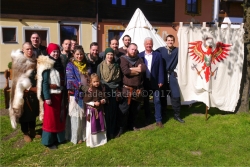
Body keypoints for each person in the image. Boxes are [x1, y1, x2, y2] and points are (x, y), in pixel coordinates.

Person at [37, 43, 66, 149]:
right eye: (54, 51)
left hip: (59, 95)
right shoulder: (46, 64)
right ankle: (48, 141)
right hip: (51, 96)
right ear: (49, 52)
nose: (56, 54)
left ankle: (59, 138)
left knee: (58, 118)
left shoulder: (59, 64)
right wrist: (47, 97)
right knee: (50, 120)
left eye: (57, 51)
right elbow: (44, 82)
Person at [9, 42, 40, 142]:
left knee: (33, 111)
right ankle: (25, 132)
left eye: (31, 49)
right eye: (27, 49)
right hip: (24, 92)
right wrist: (30, 88)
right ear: (23, 50)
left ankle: (32, 130)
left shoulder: (35, 61)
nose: (30, 51)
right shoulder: (19, 62)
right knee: (25, 113)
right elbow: (19, 79)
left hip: (35, 91)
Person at [116, 43, 146, 137]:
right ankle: (120, 128)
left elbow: (144, 69)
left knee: (135, 110)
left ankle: (131, 125)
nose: (134, 51)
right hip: (126, 89)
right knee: (124, 110)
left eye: (135, 50)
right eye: (132, 49)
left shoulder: (139, 59)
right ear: (128, 50)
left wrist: (133, 69)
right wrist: (137, 69)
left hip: (137, 90)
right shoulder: (123, 59)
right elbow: (126, 72)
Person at [65, 45, 91, 144]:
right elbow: (71, 81)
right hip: (75, 94)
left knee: (84, 115)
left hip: (86, 94)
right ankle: (75, 137)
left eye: (81, 54)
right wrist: (83, 88)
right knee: (76, 116)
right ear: (74, 54)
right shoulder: (70, 65)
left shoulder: (87, 65)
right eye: (77, 54)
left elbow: (89, 77)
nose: (79, 56)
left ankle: (83, 135)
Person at [157, 35, 185, 123]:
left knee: (176, 95)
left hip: (172, 75)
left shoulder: (178, 50)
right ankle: (163, 114)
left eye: (172, 40)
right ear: (166, 41)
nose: (170, 42)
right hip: (162, 75)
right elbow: (151, 56)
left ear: (174, 41)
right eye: (168, 40)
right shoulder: (160, 50)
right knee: (162, 96)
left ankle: (177, 115)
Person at [139, 37, 164, 127]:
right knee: (146, 102)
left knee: (157, 100)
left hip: (155, 82)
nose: (149, 45)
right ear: (144, 45)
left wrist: (161, 80)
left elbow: (161, 68)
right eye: (147, 44)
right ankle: (148, 119)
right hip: (145, 82)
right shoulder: (140, 55)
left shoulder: (158, 55)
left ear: (152, 45)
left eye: (150, 44)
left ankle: (158, 120)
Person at [97, 48, 121, 139]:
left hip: (114, 91)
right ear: (105, 55)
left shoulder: (116, 66)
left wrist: (114, 85)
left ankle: (112, 131)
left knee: (113, 111)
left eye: (111, 54)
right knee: (106, 112)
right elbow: (98, 79)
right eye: (108, 54)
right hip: (104, 91)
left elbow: (119, 79)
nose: (110, 56)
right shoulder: (100, 66)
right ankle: (105, 132)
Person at [84, 74, 107, 148]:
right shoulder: (90, 90)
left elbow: (105, 97)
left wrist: (103, 100)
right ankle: (93, 142)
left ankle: (102, 140)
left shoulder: (101, 88)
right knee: (92, 126)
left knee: (101, 124)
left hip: (100, 110)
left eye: (97, 81)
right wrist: (94, 103)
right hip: (92, 112)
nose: (96, 83)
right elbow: (86, 100)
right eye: (94, 82)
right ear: (91, 82)